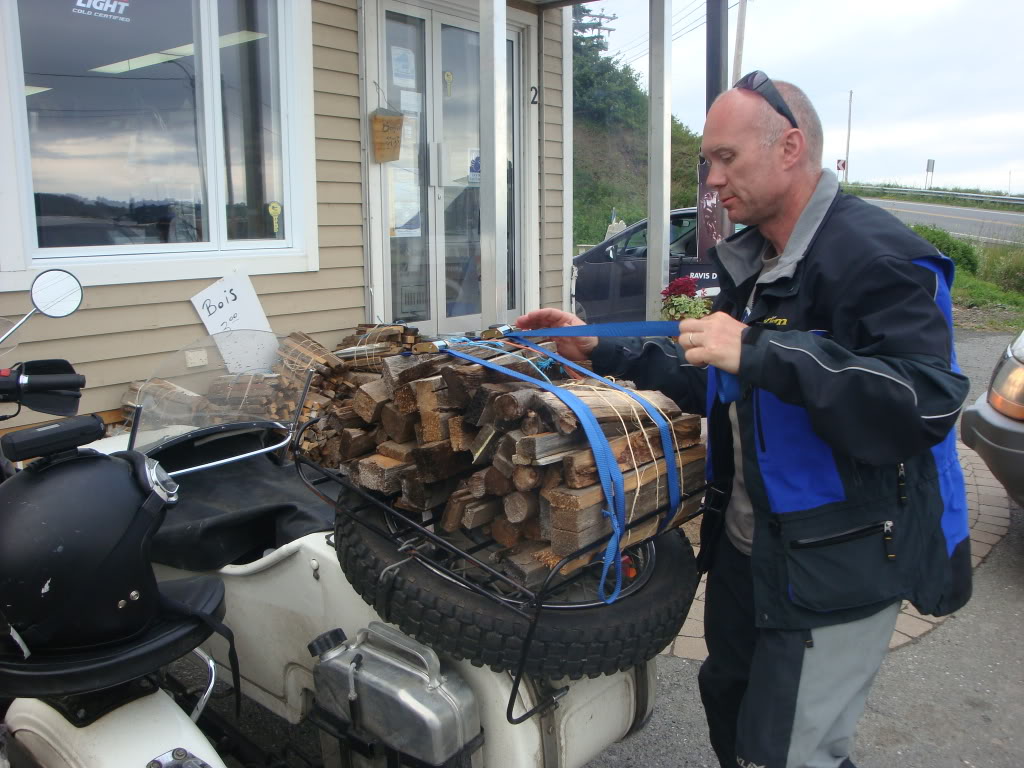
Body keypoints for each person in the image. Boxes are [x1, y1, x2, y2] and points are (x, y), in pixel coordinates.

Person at [517, 73, 971, 768]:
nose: (712, 180)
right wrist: (599, 348)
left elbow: (926, 401)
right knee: (731, 716)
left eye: (727, 158)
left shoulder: (877, 255)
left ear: (790, 147)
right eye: (707, 161)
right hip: (745, 554)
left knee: (791, 753)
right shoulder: (756, 261)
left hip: (835, 566)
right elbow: (725, 382)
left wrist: (758, 349)